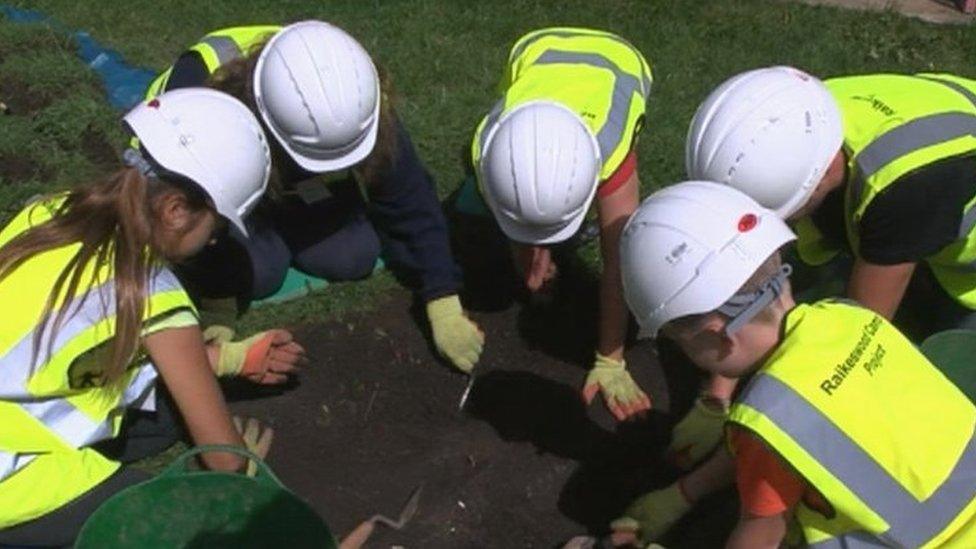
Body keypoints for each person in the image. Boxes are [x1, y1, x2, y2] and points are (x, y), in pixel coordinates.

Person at [0, 88, 302, 545]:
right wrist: (242, 475)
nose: (215, 241)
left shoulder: (48, 213)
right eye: (217, 227)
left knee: (161, 417)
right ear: (176, 210)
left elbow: (78, 342)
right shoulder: (156, 296)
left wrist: (226, 359)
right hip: (12, 480)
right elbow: (226, 459)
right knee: (172, 523)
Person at [609, 181, 976, 548]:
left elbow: (761, 537)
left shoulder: (767, 420)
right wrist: (683, 495)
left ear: (719, 336)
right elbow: (800, 449)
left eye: (681, 343)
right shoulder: (848, 317)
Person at [144, 21, 484, 373]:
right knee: (258, 272)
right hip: (219, 190)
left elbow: (410, 198)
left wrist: (442, 296)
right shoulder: (197, 102)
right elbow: (183, 213)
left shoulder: (352, 94)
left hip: (299, 191)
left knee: (354, 255)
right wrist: (216, 294)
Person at [687, 66, 976, 336]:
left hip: (964, 269)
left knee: (949, 364)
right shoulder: (800, 112)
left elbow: (859, 334)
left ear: (817, 181)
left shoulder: (902, 189)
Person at [469, 27, 658, 421]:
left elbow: (617, 265)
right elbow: (513, 198)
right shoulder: (489, 146)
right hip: (536, 48)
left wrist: (611, 358)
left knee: (621, 240)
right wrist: (527, 250)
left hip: (621, 63)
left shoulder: (612, 147)